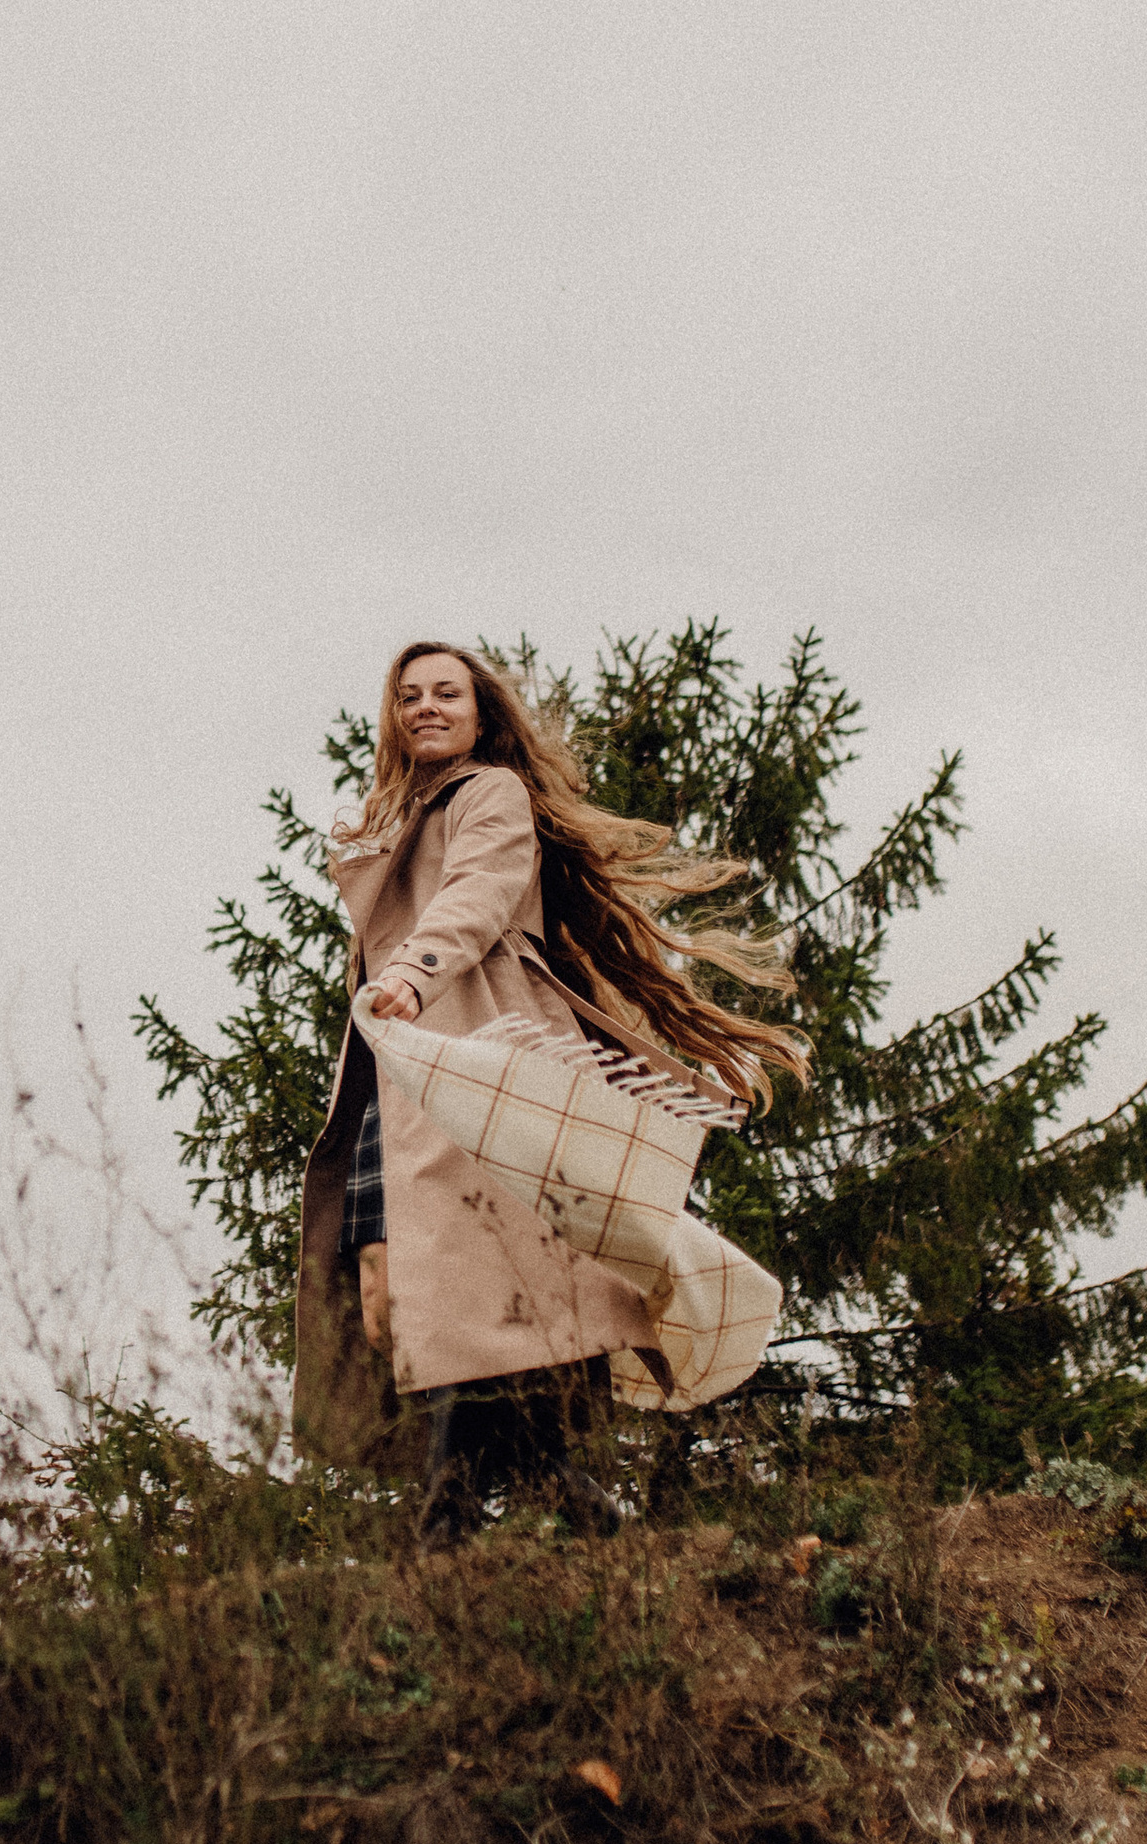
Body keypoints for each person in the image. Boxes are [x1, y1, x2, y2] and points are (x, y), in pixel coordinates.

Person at [292, 641, 805, 1539]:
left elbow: (479, 894)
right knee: (451, 1294)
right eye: (408, 697)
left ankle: (456, 1518)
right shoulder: (395, 818)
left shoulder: (489, 794)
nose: (425, 708)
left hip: (490, 1043)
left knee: (486, 1284)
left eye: (446, 693)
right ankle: (546, 1500)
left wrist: (412, 973)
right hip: (414, 1063)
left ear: (480, 712)